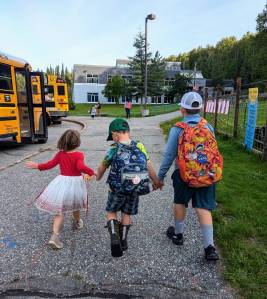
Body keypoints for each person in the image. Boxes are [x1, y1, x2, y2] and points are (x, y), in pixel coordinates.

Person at [157, 92, 222, 261]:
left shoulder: (178, 128)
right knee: (203, 207)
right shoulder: (208, 126)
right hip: (206, 174)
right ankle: (209, 247)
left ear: (182, 109)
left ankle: (178, 235)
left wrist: (160, 176)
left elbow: (169, 156)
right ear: (199, 109)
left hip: (183, 174)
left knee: (180, 202)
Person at [96, 118, 160, 257]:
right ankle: (124, 241)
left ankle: (114, 236)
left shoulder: (114, 148)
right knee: (126, 214)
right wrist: (156, 182)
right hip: (135, 189)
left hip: (116, 189)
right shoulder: (140, 145)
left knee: (111, 211)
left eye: (111, 136)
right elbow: (149, 166)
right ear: (128, 132)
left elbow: (102, 166)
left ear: (115, 134)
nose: (112, 138)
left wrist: (97, 176)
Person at [25, 130, 95, 250]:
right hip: (75, 183)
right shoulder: (79, 155)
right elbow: (80, 167)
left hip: (61, 183)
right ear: (77, 142)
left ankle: (54, 236)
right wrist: (91, 172)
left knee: (59, 211)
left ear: (63, 141)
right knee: (76, 204)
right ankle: (77, 222)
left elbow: (49, 165)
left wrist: (37, 166)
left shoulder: (60, 154)